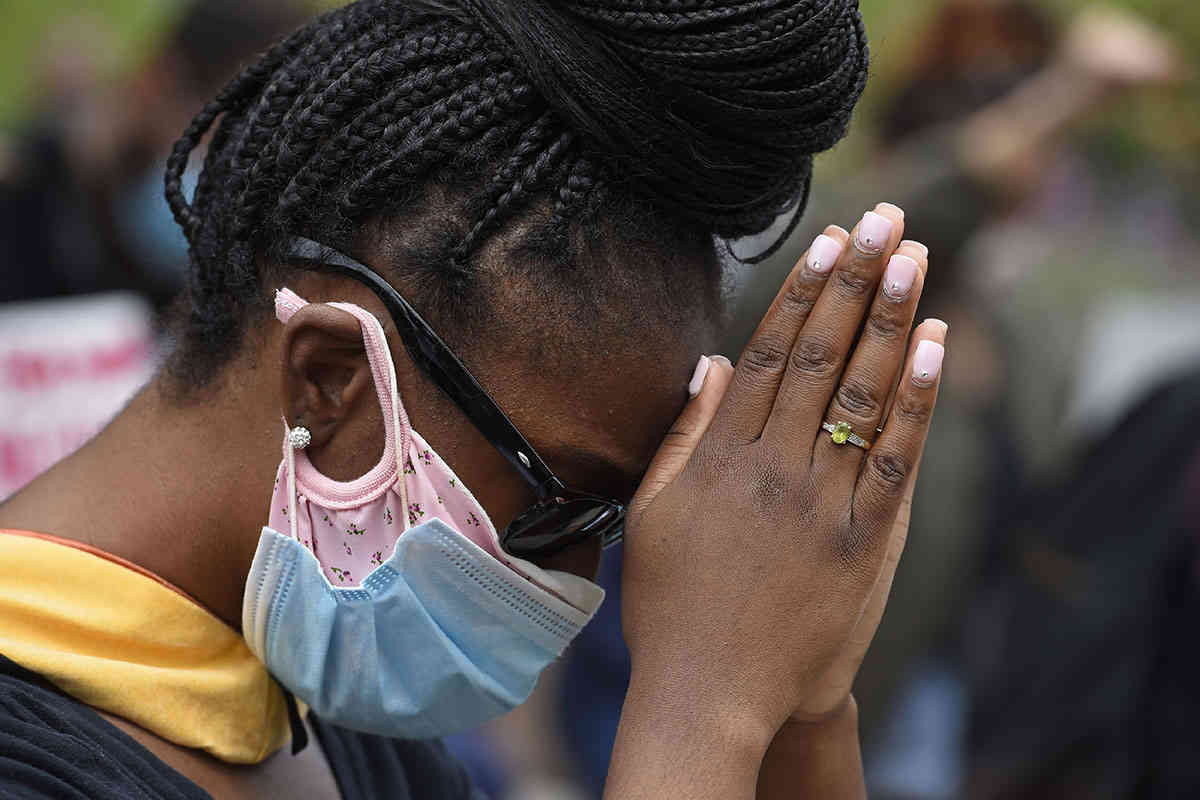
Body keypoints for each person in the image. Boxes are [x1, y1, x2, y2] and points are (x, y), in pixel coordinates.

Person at [0, 1, 945, 798]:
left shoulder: (312, 719)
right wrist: (707, 706)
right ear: (328, 376)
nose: (579, 582)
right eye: (564, 503)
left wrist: (804, 706)